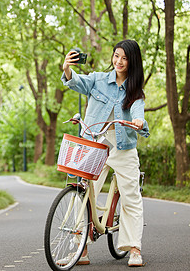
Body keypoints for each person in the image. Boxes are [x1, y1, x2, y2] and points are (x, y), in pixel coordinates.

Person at [60, 39, 149, 267]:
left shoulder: (135, 91)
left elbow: (138, 111)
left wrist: (139, 121)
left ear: (132, 62)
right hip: (95, 144)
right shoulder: (99, 79)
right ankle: (81, 249)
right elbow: (77, 82)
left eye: (124, 58)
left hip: (123, 148)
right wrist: (67, 70)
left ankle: (134, 248)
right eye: (116, 56)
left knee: (131, 198)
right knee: (83, 194)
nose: (118, 61)